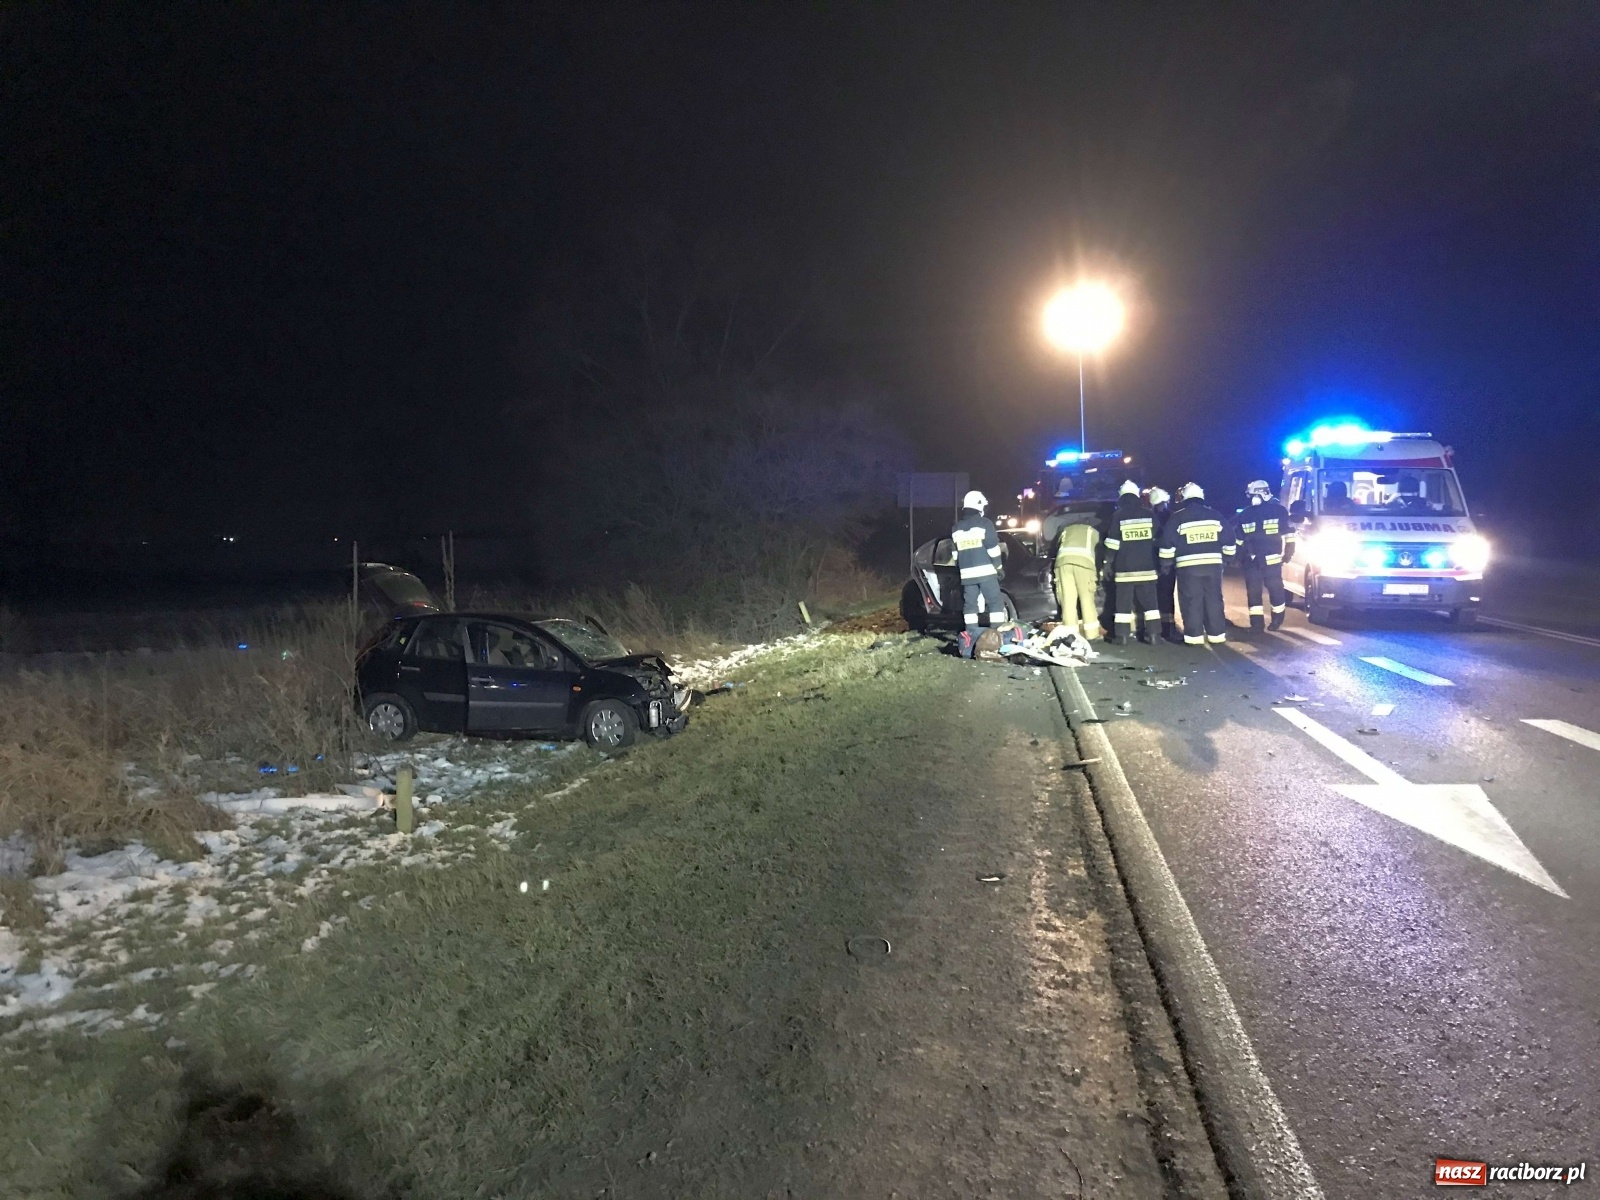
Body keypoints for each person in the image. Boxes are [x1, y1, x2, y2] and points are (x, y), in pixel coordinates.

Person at [1157, 482, 1235, 645]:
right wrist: (1228, 558)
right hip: (1213, 567)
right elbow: (1229, 538)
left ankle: (1194, 637)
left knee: (1191, 601)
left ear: (1184, 498)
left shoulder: (1178, 517)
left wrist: (1166, 563)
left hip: (1188, 568)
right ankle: (1216, 635)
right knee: (1214, 599)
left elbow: (1167, 543)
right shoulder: (1215, 515)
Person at [1102, 480, 1161, 644]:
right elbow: (1158, 540)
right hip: (1147, 568)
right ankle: (1154, 636)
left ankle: (1122, 637)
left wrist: (1107, 563)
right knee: (1151, 605)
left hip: (1125, 570)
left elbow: (1112, 543)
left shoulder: (1118, 516)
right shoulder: (1149, 514)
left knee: (1123, 605)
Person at [1234, 479, 1294, 631]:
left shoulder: (1278, 511)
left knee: (1275, 591)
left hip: (1268, 559)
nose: (1252, 498)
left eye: (1254, 495)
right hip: (1253, 560)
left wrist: (1288, 551)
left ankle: (1276, 621)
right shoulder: (1246, 514)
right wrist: (1237, 557)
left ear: (1263, 494)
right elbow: (1239, 538)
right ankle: (1257, 624)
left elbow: (1288, 533)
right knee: (1255, 593)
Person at [952, 490, 1005, 658]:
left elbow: (955, 555)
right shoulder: (985, 523)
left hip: (966, 575)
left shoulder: (956, 527)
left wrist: (961, 571)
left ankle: (971, 638)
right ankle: (998, 637)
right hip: (986, 573)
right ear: (979, 506)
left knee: (970, 607)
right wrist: (998, 567)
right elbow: (993, 548)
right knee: (995, 604)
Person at [1053, 506, 1103, 641]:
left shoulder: (1066, 530)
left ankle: (1070, 636)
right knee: (1086, 598)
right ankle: (1092, 634)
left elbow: (1054, 549)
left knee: (1067, 600)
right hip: (1084, 564)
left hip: (1063, 564)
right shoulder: (1093, 531)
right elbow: (1098, 553)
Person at [1144, 486, 1179, 642]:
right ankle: (1167, 628)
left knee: (1154, 595)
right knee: (1166, 595)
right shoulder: (1172, 517)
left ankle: (1154, 628)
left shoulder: (1148, 516)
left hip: (1151, 561)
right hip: (1168, 563)